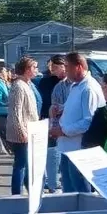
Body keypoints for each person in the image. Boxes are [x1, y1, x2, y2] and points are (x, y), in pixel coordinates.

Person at [52, 52, 105, 193]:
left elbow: (89, 122)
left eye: (68, 67)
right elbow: (76, 109)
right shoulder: (76, 86)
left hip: (79, 150)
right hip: (67, 148)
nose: (66, 71)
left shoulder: (89, 88)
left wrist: (63, 131)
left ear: (79, 67)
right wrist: (60, 109)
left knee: (80, 193)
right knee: (69, 192)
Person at [6, 56, 41, 195]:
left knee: (26, 164)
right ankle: (16, 194)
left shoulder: (27, 85)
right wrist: (22, 132)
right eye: (34, 67)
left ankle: (31, 192)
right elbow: (16, 112)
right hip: (23, 133)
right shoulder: (19, 86)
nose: (36, 70)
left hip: (30, 130)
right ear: (26, 70)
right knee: (20, 164)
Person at [37, 55, 67, 194]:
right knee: (52, 151)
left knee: (60, 152)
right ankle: (53, 182)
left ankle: (57, 180)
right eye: (52, 68)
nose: (54, 71)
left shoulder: (69, 83)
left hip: (64, 120)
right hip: (50, 119)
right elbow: (45, 102)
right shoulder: (46, 82)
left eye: (56, 67)